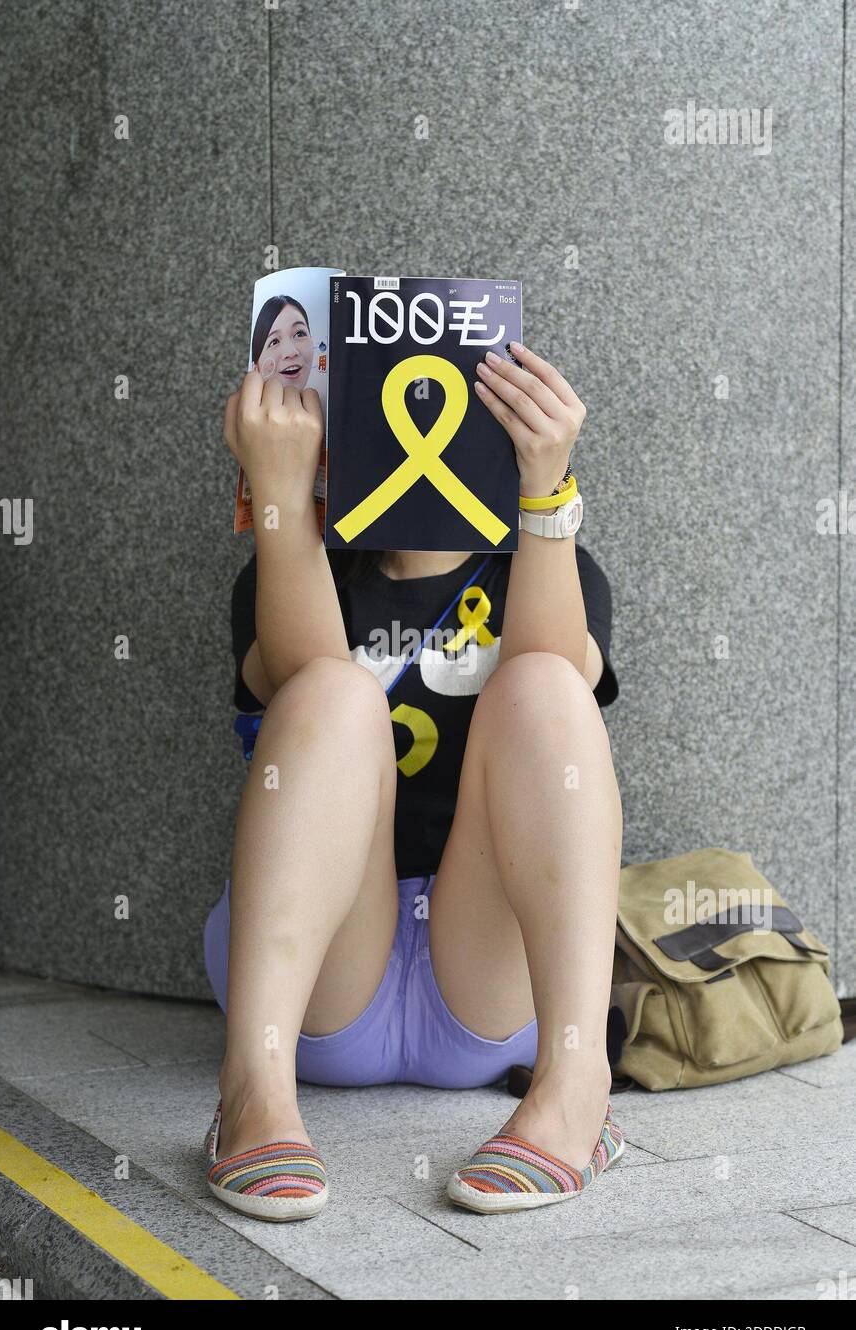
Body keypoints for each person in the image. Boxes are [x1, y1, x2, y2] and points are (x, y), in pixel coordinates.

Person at [203, 342, 624, 1220]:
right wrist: (281, 497)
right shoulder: (297, 572)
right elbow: (302, 694)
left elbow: (560, 690)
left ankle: (578, 1094)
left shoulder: (552, 571)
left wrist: (547, 487)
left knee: (545, 679)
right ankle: (249, 1095)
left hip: (485, 977)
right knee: (331, 690)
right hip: (323, 976)